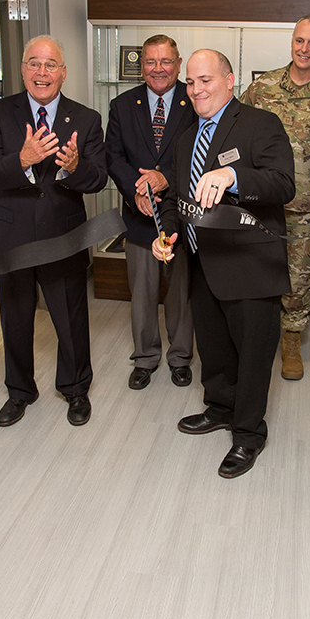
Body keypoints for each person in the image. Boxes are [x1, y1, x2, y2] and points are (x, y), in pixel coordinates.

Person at [153, 49, 294, 479]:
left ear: (229, 81)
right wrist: (168, 235)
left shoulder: (259, 124)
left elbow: (283, 184)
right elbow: (179, 200)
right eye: (190, 83)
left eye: (206, 80)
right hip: (201, 264)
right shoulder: (183, 140)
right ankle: (219, 407)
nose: (196, 90)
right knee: (213, 349)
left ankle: (248, 433)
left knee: (252, 355)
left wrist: (233, 177)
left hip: (249, 265)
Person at [0, 35, 107, 428]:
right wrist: (22, 159)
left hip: (62, 235)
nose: (42, 72)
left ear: (63, 73)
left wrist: (73, 167)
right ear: (22, 70)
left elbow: (98, 178)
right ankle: (19, 392)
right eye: (34, 63)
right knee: (15, 317)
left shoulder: (86, 119)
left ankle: (75, 389)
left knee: (69, 316)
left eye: (51, 65)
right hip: (12, 235)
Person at [239, 15, 310, 380]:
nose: (305, 49)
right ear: (292, 42)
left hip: (305, 208)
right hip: (261, 203)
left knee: (298, 281)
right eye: (300, 41)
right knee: (256, 274)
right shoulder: (262, 87)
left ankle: (291, 340)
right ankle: (254, 338)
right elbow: (235, 129)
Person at [105, 34, 195, 390]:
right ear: (141, 65)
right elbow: (113, 156)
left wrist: (164, 179)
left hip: (181, 216)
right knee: (141, 292)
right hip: (139, 215)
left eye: (166, 61)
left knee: (180, 291)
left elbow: (201, 155)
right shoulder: (122, 104)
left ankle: (181, 357)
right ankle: (145, 358)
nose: (158, 69)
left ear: (178, 63)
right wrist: (136, 190)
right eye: (150, 62)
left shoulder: (196, 102)